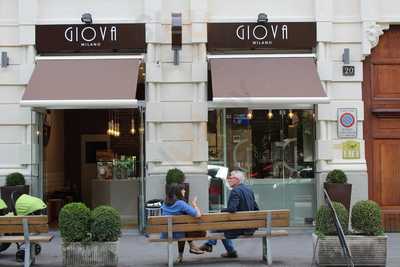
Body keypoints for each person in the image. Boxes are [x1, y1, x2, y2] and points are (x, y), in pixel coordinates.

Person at [200, 169, 259, 258]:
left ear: (237, 180)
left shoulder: (235, 191)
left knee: (216, 228)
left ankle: (210, 243)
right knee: (221, 226)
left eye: (230, 178)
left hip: (239, 227)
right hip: (249, 227)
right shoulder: (249, 190)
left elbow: (232, 209)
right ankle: (229, 251)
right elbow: (256, 209)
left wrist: (221, 211)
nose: (229, 179)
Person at [161, 183, 204, 263]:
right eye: (183, 189)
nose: (184, 191)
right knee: (184, 228)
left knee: (182, 227)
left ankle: (184, 253)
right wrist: (194, 204)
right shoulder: (180, 203)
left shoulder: (165, 203)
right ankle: (192, 247)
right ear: (178, 192)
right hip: (178, 233)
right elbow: (198, 215)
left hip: (166, 233)